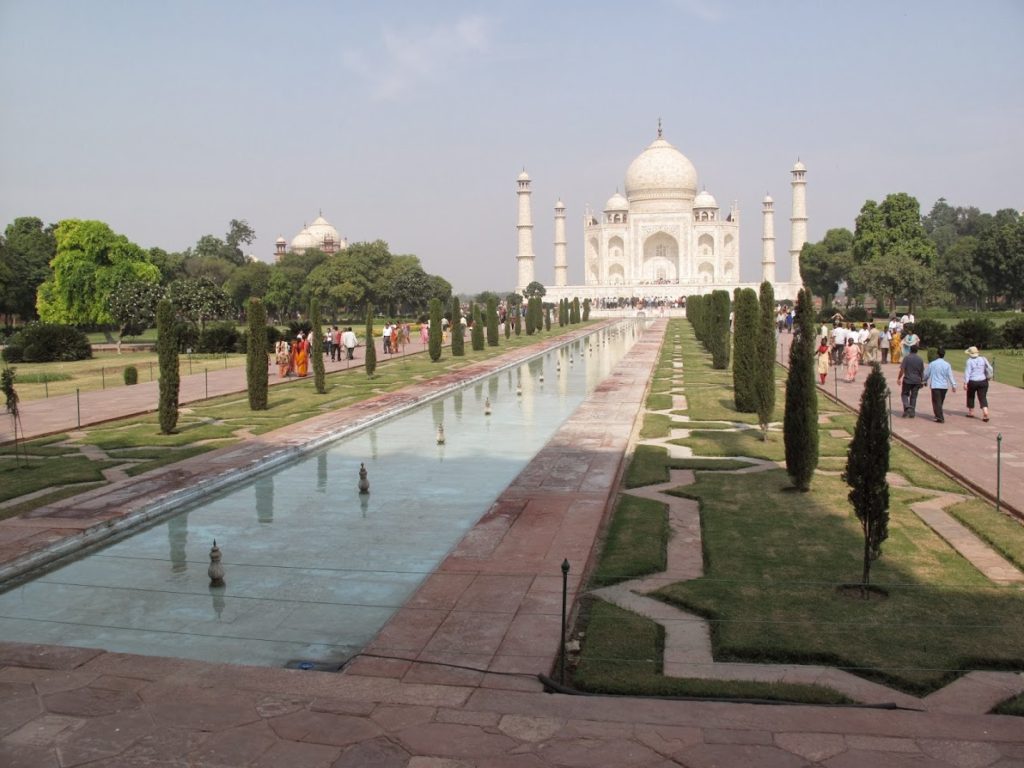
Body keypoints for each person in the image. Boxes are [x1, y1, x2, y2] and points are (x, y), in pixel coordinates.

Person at [923, 347, 957, 423]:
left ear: (937, 354)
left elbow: (926, 374)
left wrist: (924, 380)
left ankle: (940, 417)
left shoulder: (932, 364)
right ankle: (938, 414)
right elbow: (950, 375)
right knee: (940, 401)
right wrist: (953, 385)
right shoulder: (947, 364)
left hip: (936, 385)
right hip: (944, 386)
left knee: (936, 401)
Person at [964, 345, 993, 421]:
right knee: (982, 397)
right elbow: (990, 368)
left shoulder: (969, 361)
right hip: (983, 380)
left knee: (970, 396)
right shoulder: (983, 359)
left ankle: (971, 412)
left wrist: (965, 383)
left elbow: (967, 373)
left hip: (973, 381)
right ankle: (985, 411)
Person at [897, 344, 925, 418]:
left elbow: (902, 370)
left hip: (908, 380)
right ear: (917, 351)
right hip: (917, 380)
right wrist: (922, 381)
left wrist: (899, 378)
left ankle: (906, 407)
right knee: (914, 396)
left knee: (904, 394)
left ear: (910, 350)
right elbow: (921, 372)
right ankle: (912, 412)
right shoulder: (920, 359)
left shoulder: (907, 358)